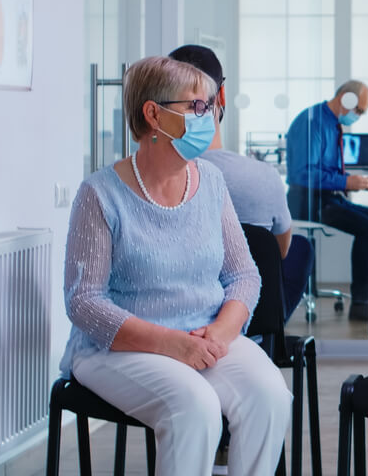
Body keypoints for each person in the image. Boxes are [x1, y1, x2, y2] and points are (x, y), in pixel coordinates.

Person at [60, 56, 291, 476]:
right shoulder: (99, 194)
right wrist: (172, 343)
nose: (209, 117)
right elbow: (84, 303)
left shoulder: (211, 183)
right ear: (153, 114)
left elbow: (243, 275)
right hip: (117, 347)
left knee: (271, 395)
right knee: (195, 406)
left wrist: (220, 334)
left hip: (204, 334)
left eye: (210, 107)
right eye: (196, 107)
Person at [169, 44, 296, 259]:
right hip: (256, 291)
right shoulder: (266, 178)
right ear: (222, 96)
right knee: (301, 251)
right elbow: (278, 255)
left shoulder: (152, 180)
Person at [287, 80, 368, 320]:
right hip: (308, 200)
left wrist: (355, 181)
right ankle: (361, 302)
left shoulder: (332, 124)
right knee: (367, 228)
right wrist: (346, 183)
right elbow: (302, 173)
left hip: (330, 198)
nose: (358, 116)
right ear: (347, 98)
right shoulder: (313, 122)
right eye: (359, 110)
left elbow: (328, 171)